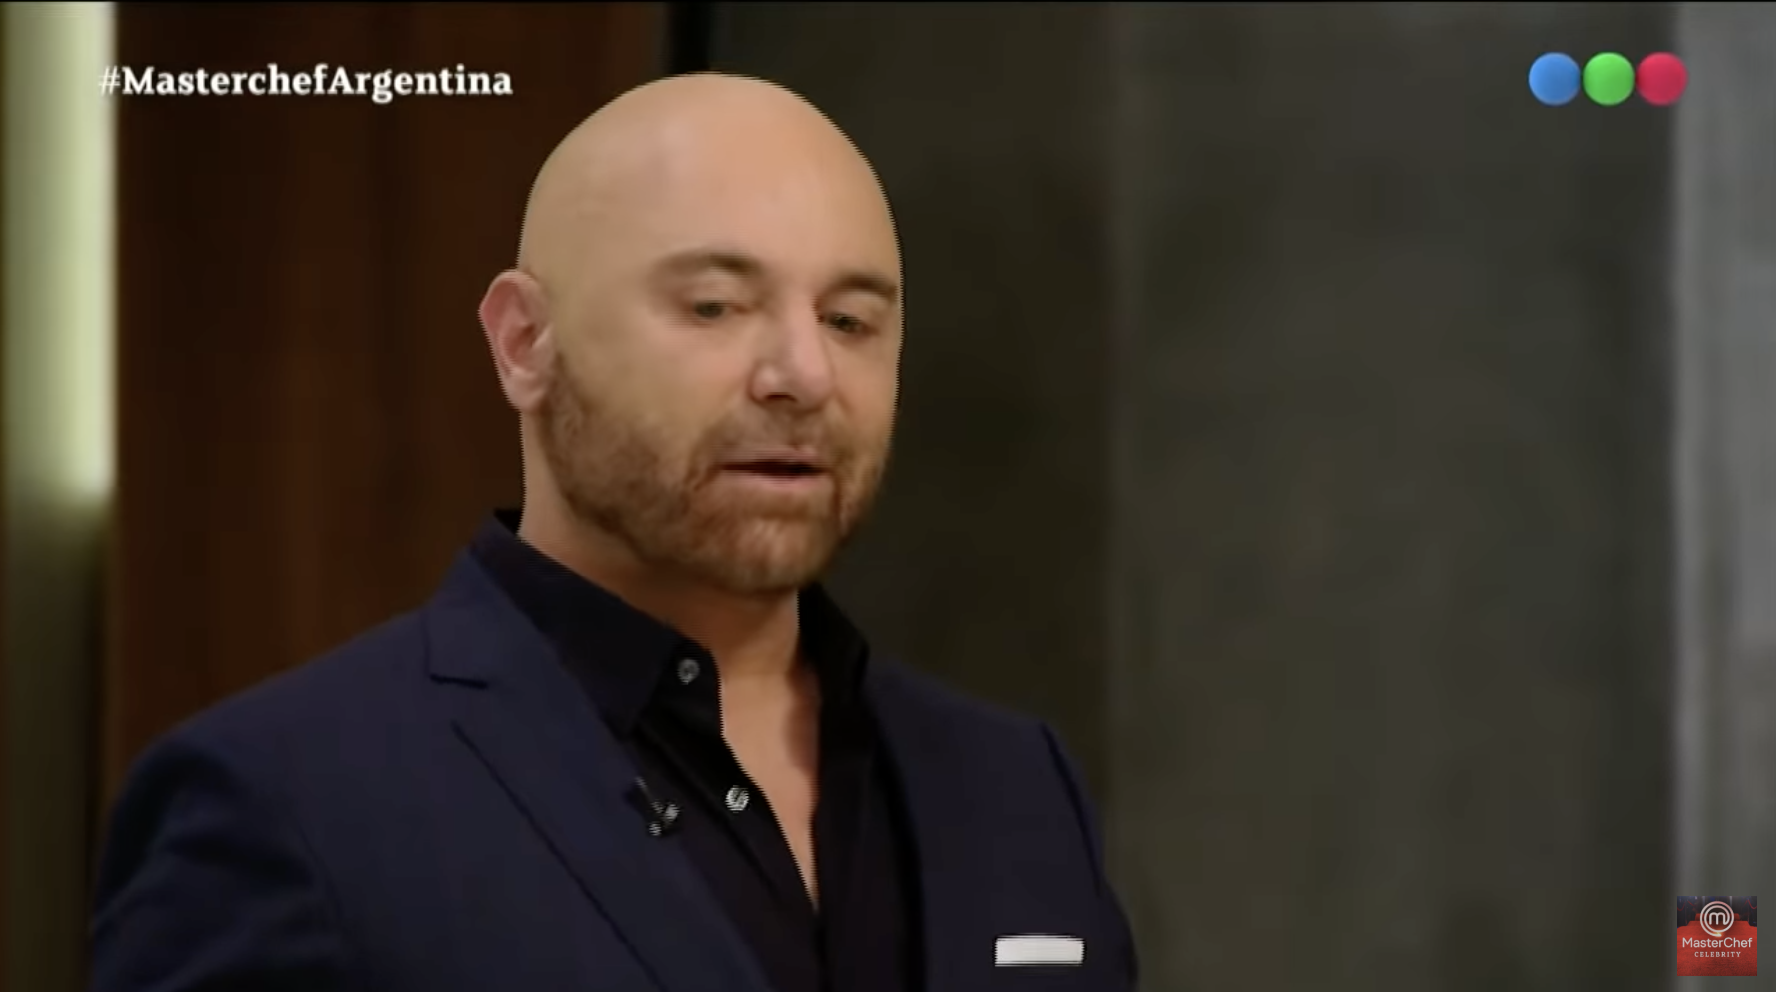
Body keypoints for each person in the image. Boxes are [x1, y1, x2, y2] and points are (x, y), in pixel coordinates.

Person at [87, 73, 1137, 992]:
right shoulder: (289, 801)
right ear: (524, 342)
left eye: (849, 320)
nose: (803, 374)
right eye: (715, 306)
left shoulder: (1012, 781)